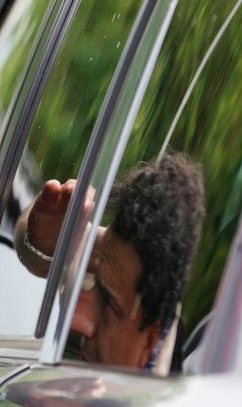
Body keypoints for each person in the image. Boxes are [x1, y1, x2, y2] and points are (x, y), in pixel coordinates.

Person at [14, 154, 204, 369]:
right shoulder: (123, 272)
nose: (75, 321)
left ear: (152, 340)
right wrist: (44, 236)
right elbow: (32, 242)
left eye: (109, 305)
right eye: (93, 281)